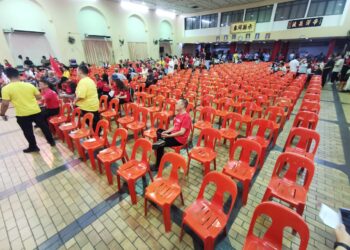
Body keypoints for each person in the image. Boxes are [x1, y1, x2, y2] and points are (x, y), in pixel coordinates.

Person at [0, 68, 55, 153]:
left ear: (7, 77)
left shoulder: (6, 89)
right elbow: (39, 97)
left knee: (28, 131)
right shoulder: (29, 85)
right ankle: (51, 141)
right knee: (44, 127)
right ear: (19, 75)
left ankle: (33, 147)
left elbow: (5, 104)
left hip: (22, 114)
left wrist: (2, 113)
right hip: (36, 111)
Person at [152, 99, 192, 171]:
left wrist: (169, 136)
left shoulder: (186, 117)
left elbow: (182, 132)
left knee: (160, 144)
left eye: (177, 103)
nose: (175, 105)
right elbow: (174, 126)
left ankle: (158, 165)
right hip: (174, 135)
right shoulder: (178, 115)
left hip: (179, 139)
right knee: (159, 131)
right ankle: (160, 145)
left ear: (182, 105)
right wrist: (166, 131)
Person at [74, 64, 100, 130]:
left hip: (88, 107)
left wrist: (74, 101)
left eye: (76, 71)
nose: (76, 72)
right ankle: (98, 134)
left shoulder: (83, 82)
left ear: (80, 71)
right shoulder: (90, 80)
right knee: (95, 124)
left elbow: (81, 96)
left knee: (93, 125)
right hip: (93, 105)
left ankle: (97, 137)